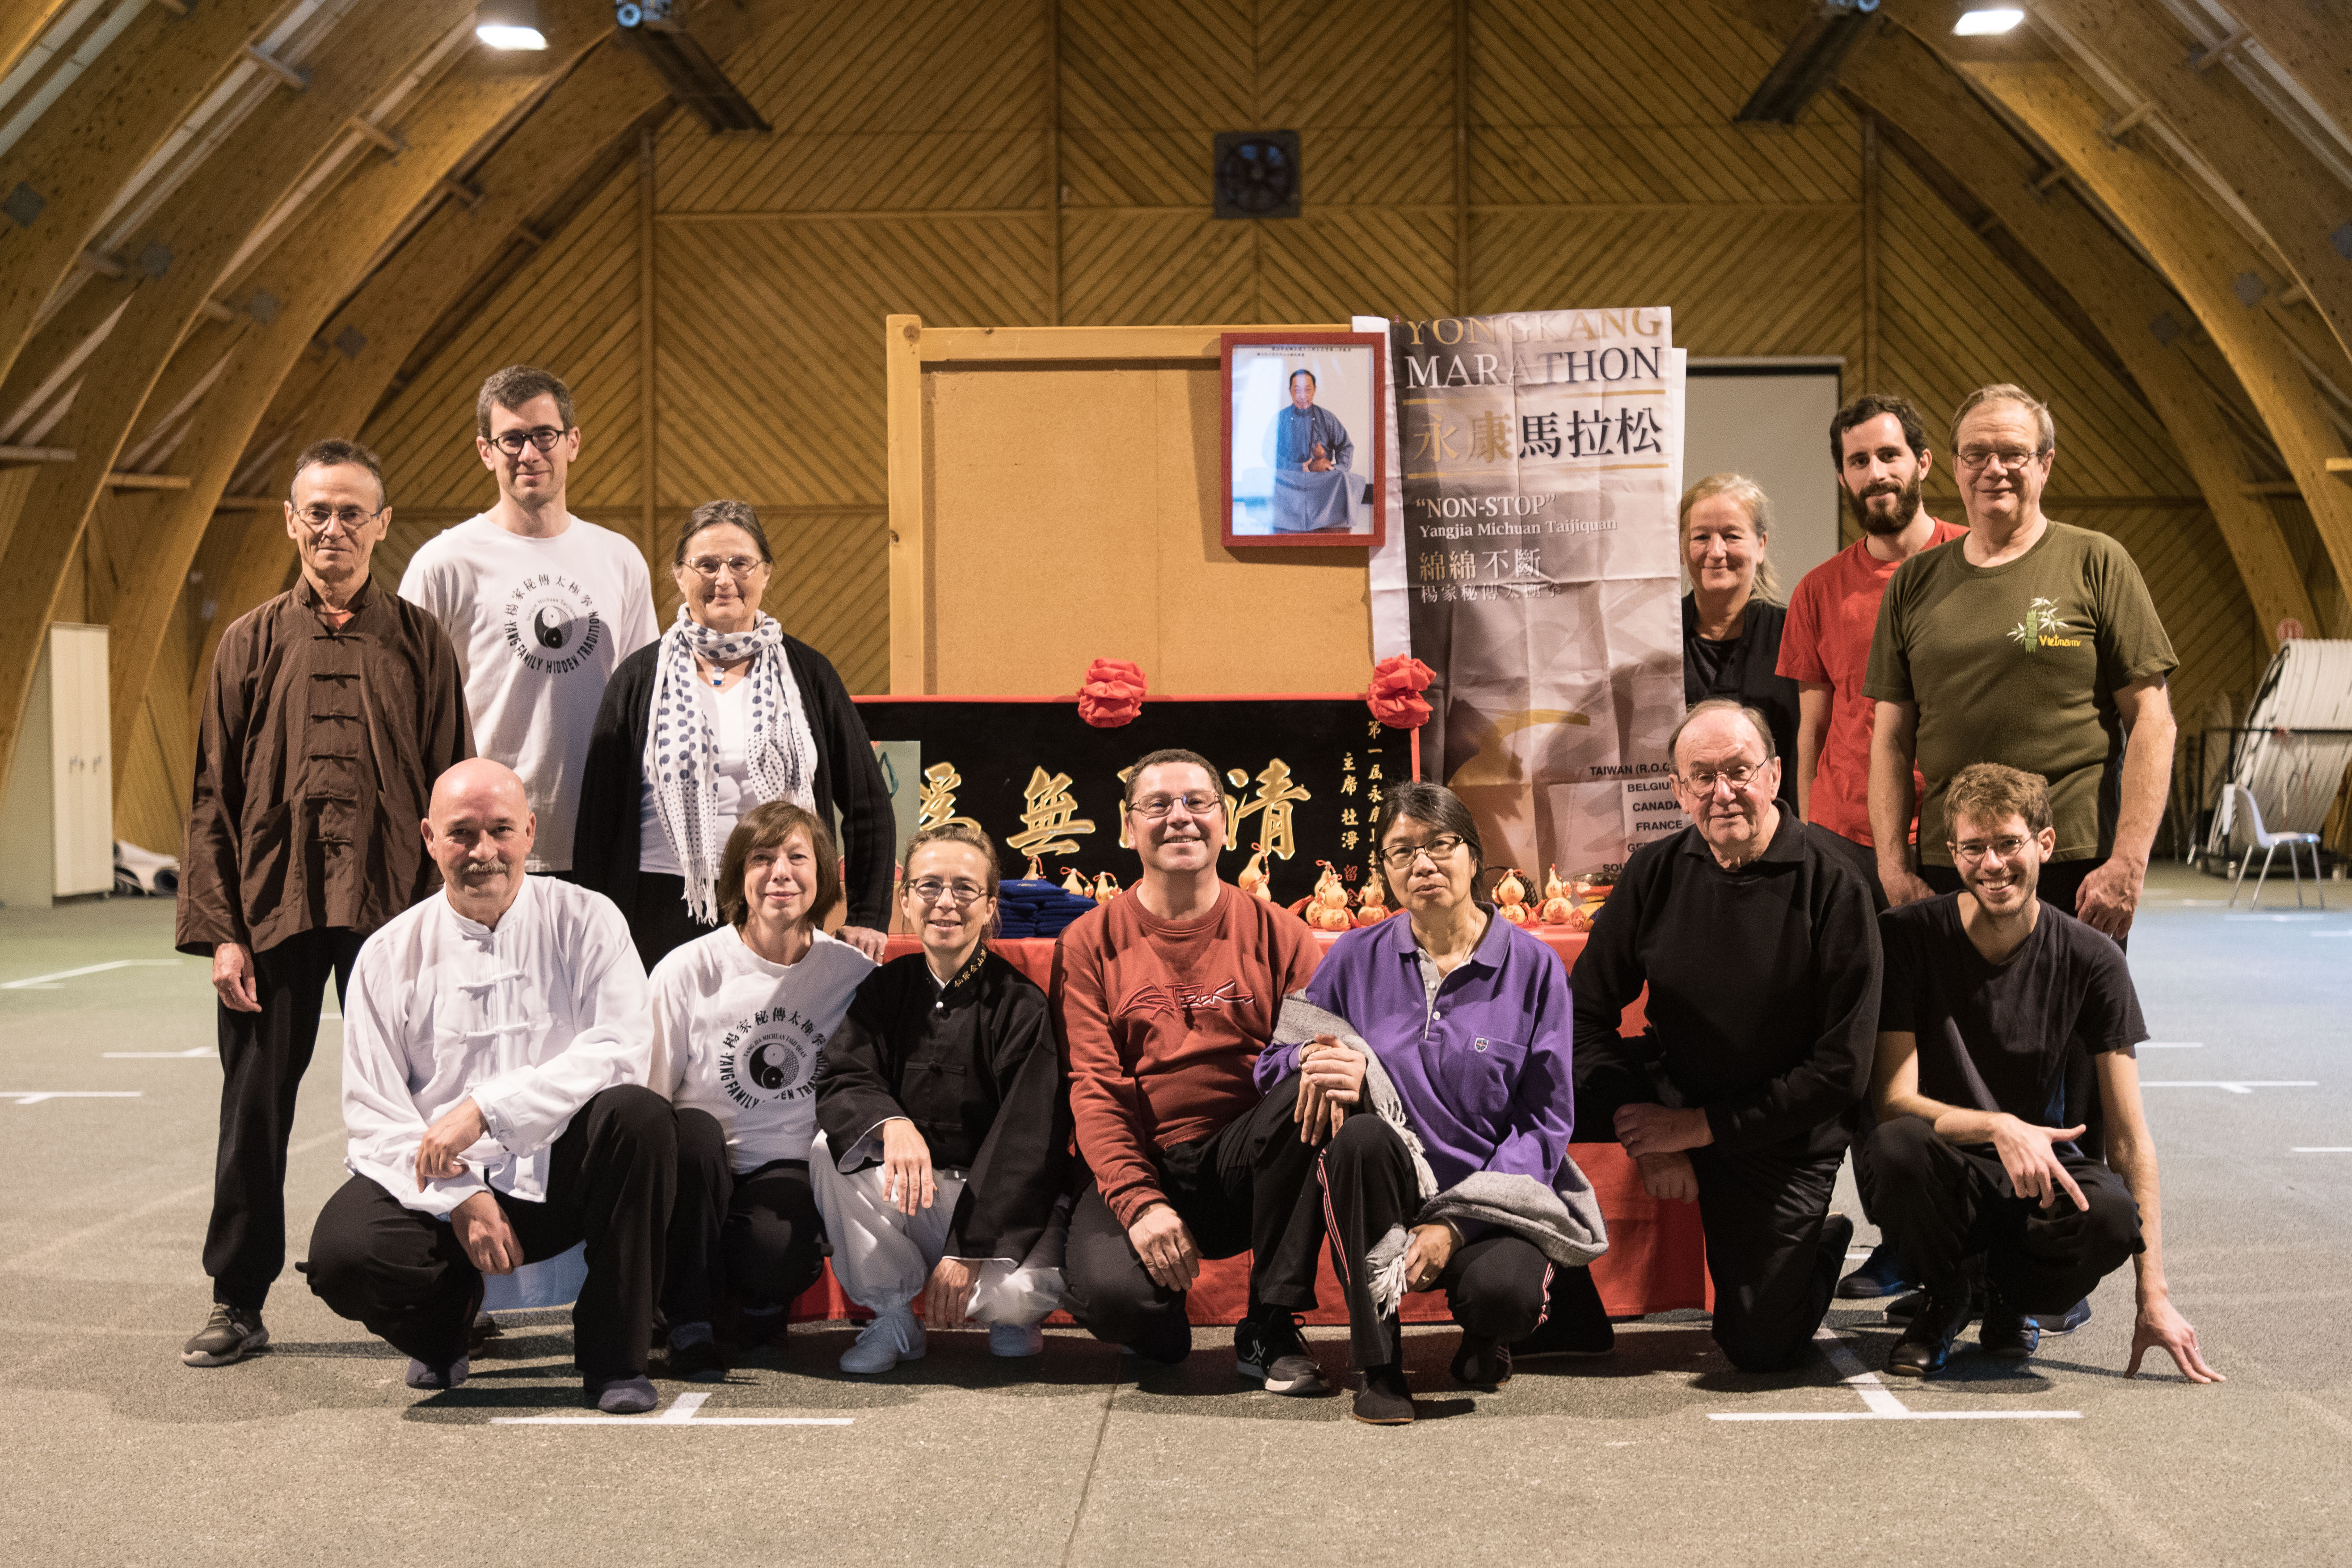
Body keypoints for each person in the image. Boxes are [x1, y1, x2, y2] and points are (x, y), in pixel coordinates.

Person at [175, 438, 472, 1369]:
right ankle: (238, 1295)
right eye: (318, 511)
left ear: (382, 524)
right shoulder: (248, 643)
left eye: (353, 512)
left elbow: (454, 795)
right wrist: (223, 932)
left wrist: (455, 927)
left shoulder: (423, 641)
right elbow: (211, 795)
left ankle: (445, 1284)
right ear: (291, 520)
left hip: (399, 912)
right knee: (254, 1107)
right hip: (273, 912)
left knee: (428, 1104)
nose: (334, 528)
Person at [304, 760, 675, 1414]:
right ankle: (445, 1329)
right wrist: (462, 1195)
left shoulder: (589, 920)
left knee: (640, 1117)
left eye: (501, 830)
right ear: (428, 837)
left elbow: (620, 1050)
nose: (484, 852)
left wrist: (486, 1111)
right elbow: (373, 1114)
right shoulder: (388, 955)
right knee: (343, 1255)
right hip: (440, 1188)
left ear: (531, 831)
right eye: (462, 834)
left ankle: (615, 1359)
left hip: (561, 1171)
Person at [1867, 764, 2220, 1383]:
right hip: (1947, 1164)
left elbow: (2129, 1138)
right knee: (1895, 1148)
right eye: (1973, 848)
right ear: (1952, 853)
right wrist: (1998, 1125)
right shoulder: (1906, 940)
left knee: (2112, 1216)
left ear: (2044, 845)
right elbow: (1894, 1101)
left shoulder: (2093, 958)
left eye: (2008, 844)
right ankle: (1946, 1298)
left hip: (2042, 1175)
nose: (1992, 864)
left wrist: (2153, 1295)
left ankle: (2010, 1301)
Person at [1259, 781, 1589, 1425]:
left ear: (1473, 857)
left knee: (1506, 1298)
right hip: (1384, 1185)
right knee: (1356, 1140)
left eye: (1441, 845)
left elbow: (1544, 1120)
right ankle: (1376, 1366)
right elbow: (1273, 1061)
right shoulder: (1354, 957)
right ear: (1383, 870)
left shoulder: (1533, 965)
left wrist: (1457, 1225)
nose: (1423, 864)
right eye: (1401, 851)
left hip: (1486, 1194)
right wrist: (1319, 1060)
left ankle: (1482, 1339)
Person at [1570, 700, 1880, 1372]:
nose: (1722, 793)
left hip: (1781, 1130)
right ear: (1678, 791)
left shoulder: (1837, 883)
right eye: (1702, 777)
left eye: (1738, 771)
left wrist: (1696, 1131)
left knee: (1759, 1347)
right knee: (1522, 1087)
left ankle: (1816, 1248)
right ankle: (1550, 1301)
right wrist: (1641, 1130)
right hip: (1673, 1085)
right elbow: (1583, 1010)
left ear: (1772, 776)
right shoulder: (1654, 870)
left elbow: (1839, 1071)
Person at [1056, 748, 1330, 1394]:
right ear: (1128, 828)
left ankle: (1269, 1323)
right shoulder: (1088, 942)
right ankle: (1159, 1320)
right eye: (1157, 805)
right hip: (1148, 1157)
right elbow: (1094, 1089)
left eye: (1196, 803)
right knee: (1111, 1300)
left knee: (1315, 1081)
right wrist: (1139, 1201)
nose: (1179, 818)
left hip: (1247, 1160)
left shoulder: (1282, 934)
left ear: (1226, 822)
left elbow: (1308, 1055)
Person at [1866, 383, 2177, 943]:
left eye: (2014, 454)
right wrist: (1894, 868)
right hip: (1950, 863)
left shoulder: (2097, 562)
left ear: (2046, 464)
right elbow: (1889, 740)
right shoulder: (1914, 582)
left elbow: (2153, 722)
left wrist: (2128, 863)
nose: (1995, 469)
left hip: (2075, 867)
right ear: (1955, 467)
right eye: (1977, 454)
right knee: (1953, 1033)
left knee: (2077, 1032)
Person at [1776, 394, 1967, 1302]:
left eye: (1890, 455)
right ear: (1844, 475)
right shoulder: (1819, 588)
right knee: (1864, 1051)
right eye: (1859, 461)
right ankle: (1898, 1238)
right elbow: (1811, 723)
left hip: (1962, 845)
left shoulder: (1974, 561)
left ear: (1925, 462)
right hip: (1849, 841)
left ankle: (1982, 1237)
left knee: (1963, 1045)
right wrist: (1809, 839)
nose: (1876, 474)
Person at [575, 500, 892, 970]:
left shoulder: (809, 674)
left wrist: (868, 914)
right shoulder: (639, 679)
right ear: (680, 577)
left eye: (740, 563)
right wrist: (592, 932)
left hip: (780, 904)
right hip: (661, 908)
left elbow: (868, 804)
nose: (723, 579)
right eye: (706, 565)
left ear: (766, 573)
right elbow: (598, 821)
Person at [811, 823, 1072, 1374]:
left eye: (964, 889)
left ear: (990, 905)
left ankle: (1011, 1316)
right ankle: (894, 1317)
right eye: (929, 887)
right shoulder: (886, 988)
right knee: (826, 1148)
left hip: (997, 1208)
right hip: (916, 1198)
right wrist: (890, 1124)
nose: (945, 903)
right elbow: (844, 1077)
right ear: (905, 901)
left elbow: (1028, 1140)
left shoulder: (1019, 1003)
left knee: (1013, 1299)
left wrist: (969, 1248)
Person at [399, 364, 659, 879]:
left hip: (596, 833)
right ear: (486, 451)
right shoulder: (444, 563)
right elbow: (407, 710)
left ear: (573, 443)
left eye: (544, 435)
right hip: (482, 843)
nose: (529, 453)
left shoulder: (620, 559)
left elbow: (643, 706)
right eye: (512, 439)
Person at [646, 800, 875, 1380]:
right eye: (762, 858)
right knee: (692, 1134)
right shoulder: (687, 969)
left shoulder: (851, 974)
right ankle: (689, 1324)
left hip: (785, 1167)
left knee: (776, 1253)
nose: (780, 872)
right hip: (699, 1167)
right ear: (736, 877)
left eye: (797, 857)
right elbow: (650, 1092)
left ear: (821, 875)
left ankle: (758, 1302)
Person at [1681, 474, 1799, 814]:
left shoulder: (1794, 635)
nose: (1716, 552)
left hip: (1776, 834)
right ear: (1682, 548)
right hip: (1677, 840)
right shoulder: (1659, 639)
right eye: (1701, 537)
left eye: (1731, 536)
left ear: (1761, 546)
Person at [1269, 367, 1355, 534]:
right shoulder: (1280, 419)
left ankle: (1329, 523)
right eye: (1297, 390)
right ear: (1290, 392)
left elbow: (1345, 446)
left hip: (1322, 481)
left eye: (1308, 390)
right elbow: (1269, 453)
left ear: (1315, 390)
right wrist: (1297, 468)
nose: (1303, 395)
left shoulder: (1327, 418)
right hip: (1290, 480)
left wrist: (1334, 469)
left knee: (1343, 478)